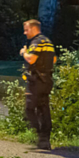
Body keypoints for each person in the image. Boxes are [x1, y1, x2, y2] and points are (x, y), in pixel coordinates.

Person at [20, 19, 56, 150]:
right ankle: (45, 140)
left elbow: (31, 58)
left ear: (34, 29)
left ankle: (39, 134)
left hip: (36, 81)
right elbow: (54, 59)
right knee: (43, 109)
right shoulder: (48, 42)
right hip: (47, 81)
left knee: (29, 108)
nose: (25, 33)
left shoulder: (36, 42)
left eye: (26, 29)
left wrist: (24, 52)